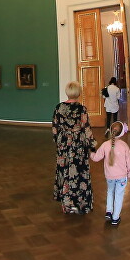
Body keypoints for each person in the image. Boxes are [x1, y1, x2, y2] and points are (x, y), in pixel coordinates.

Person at [52, 81, 96, 215]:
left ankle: (67, 205)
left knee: (65, 172)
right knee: (80, 173)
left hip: (64, 145)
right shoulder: (81, 109)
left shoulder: (58, 108)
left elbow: (55, 128)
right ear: (78, 93)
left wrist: (59, 143)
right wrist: (92, 145)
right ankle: (80, 204)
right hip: (78, 146)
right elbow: (86, 129)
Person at [90, 120, 130, 226]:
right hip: (122, 177)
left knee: (110, 192)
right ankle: (115, 218)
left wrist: (90, 153)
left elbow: (96, 158)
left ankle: (108, 211)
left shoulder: (105, 145)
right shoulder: (124, 146)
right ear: (122, 133)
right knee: (119, 195)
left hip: (109, 176)